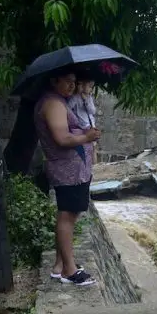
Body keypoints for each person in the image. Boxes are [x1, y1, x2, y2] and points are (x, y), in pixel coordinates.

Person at [33, 67, 100, 286]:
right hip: (67, 170)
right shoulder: (52, 104)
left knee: (69, 216)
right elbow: (61, 138)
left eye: (74, 81)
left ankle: (59, 266)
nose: (72, 85)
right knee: (67, 216)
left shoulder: (59, 101)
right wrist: (87, 136)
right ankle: (69, 271)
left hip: (75, 170)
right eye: (67, 81)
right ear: (54, 81)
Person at [68, 74, 99, 164]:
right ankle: (86, 165)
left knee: (93, 146)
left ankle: (95, 166)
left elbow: (93, 111)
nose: (91, 89)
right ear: (82, 85)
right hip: (81, 126)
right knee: (85, 147)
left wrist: (86, 101)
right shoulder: (75, 97)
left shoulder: (89, 98)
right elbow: (68, 108)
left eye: (92, 87)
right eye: (89, 86)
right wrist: (78, 94)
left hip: (90, 125)